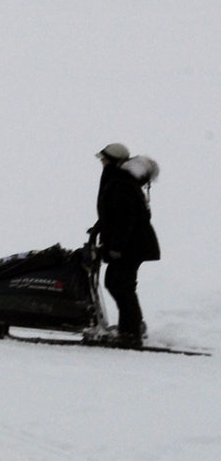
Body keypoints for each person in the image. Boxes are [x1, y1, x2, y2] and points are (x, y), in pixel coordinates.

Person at [87, 142, 161, 348]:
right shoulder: (120, 180)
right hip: (133, 243)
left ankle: (131, 332)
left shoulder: (119, 182)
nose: (101, 162)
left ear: (112, 161)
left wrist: (116, 247)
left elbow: (125, 219)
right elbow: (113, 213)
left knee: (120, 284)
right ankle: (133, 327)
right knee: (120, 284)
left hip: (131, 245)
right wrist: (98, 229)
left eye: (104, 159)